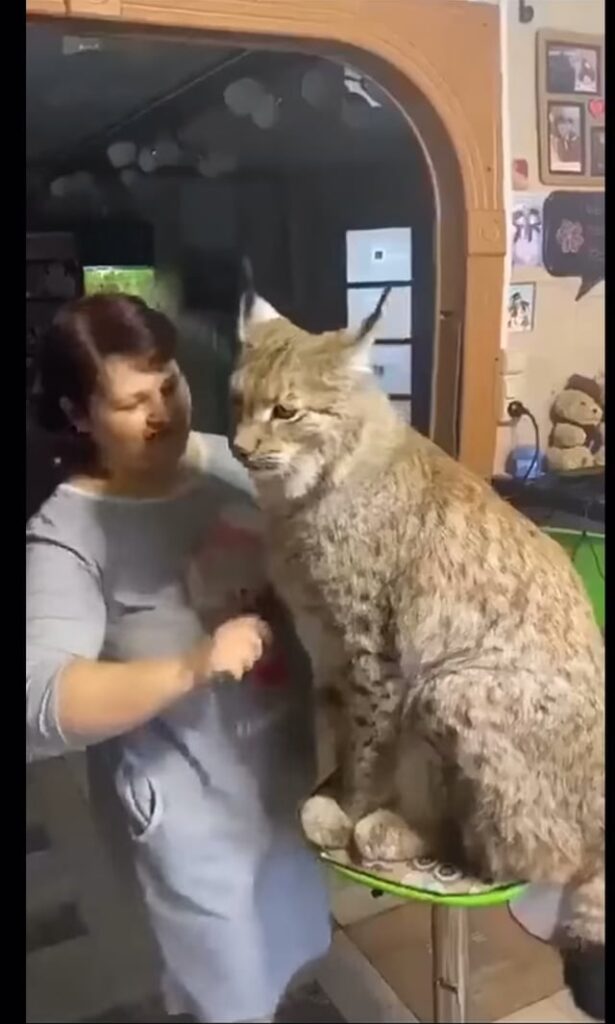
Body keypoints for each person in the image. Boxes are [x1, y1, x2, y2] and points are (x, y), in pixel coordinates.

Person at [26, 293, 331, 1023]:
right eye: (133, 402)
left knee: (289, 957)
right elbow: (38, 702)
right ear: (78, 416)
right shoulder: (67, 533)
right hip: (195, 822)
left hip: (284, 790)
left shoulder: (232, 460)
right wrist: (192, 665)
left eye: (169, 384)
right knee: (226, 991)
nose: (162, 411)